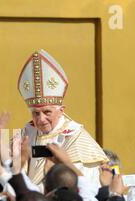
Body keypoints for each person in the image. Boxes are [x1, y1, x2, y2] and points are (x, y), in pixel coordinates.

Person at [17, 49, 108, 192]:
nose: (41, 119)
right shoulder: (27, 133)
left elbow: (85, 184)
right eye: (35, 113)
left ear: (61, 110)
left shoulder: (75, 136)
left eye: (47, 112)